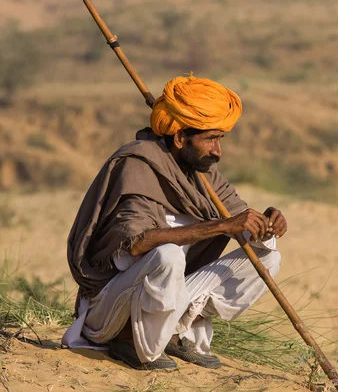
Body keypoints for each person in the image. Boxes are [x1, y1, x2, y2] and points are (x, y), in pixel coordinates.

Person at [62, 75, 287, 370]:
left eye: (219, 139)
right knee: (166, 254)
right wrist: (220, 226)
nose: (218, 151)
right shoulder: (138, 165)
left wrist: (267, 222)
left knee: (268, 256)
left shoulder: (201, 172)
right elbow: (138, 243)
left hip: (167, 294)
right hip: (111, 308)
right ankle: (128, 340)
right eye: (210, 139)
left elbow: (241, 220)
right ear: (180, 137)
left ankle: (173, 331)